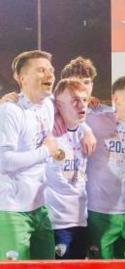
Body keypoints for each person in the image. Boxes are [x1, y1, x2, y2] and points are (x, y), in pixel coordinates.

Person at [0, 50, 59, 260]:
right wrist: (46, 152)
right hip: (12, 210)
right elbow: (4, 161)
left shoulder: (48, 105)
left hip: (40, 208)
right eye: (41, 70)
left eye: (51, 70)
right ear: (21, 77)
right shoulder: (10, 111)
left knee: (47, 264)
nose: (50, 75)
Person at [85, 75, 125, 259]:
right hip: (100, 214)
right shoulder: (95, 121)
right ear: (116, 99)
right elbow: (61, 110)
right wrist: (8, 100)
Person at [44, 78, 90, 259]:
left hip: (81, 220)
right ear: (58, 106)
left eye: (84, 99)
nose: (82, 105)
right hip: (56, 223)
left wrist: (88, 131)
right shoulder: (47, 134)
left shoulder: (85, 133)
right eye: (74, 101)